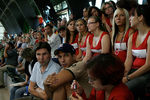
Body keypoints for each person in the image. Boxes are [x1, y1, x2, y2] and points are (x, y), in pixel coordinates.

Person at [123, 5, 150, 100]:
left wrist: (128, 78)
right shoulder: (132, 37)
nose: (129, 18)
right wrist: (123, 75)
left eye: (132, 15)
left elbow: (148, 65)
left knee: (125, 89)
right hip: (133, 72)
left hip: (147, 74)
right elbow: (128, 61)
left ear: (140, 17)